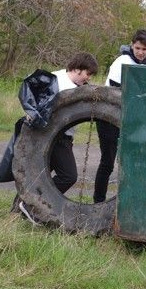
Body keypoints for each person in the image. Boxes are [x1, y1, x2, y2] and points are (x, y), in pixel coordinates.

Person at [93, 29, 146, 203]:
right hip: (108, 116)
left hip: (133, 117)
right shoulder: (121, 62)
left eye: (144, 49)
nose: (141, 52)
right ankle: (98, 202)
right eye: (137, 48)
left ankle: (131, 202)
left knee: (134, 161)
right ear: (131, 45)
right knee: (108, 162)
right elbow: (114, 94)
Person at [50, 52, 99, 193]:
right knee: (68, 176)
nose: (89, 78)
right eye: (87, 74)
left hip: (65, 137)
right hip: (56, 138)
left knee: (40, 173)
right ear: (78, 69)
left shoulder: (80, 87)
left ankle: (22, 205)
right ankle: (36, 202)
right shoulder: (56, 80)